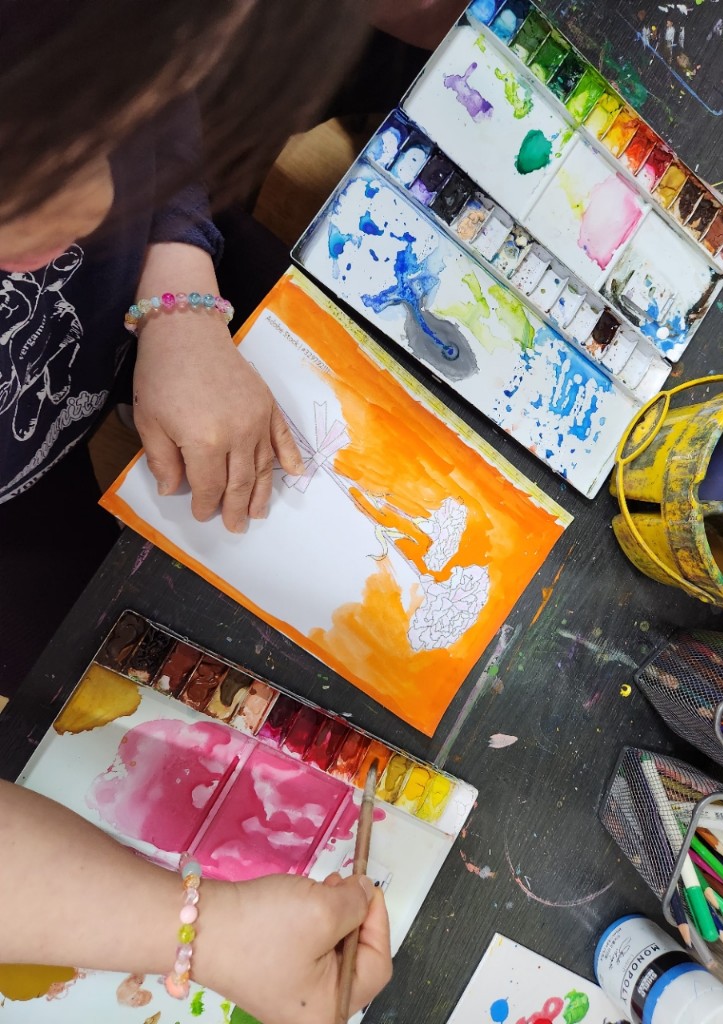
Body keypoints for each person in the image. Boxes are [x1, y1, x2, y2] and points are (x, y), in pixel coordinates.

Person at [0, 1, 469, 1020]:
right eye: (33, 162)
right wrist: (195, 930)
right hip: (20, 515)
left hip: (154, 312)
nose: (99, 198)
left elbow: (149, 58)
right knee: (95, 672)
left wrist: (175, 271)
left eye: (110, 122)